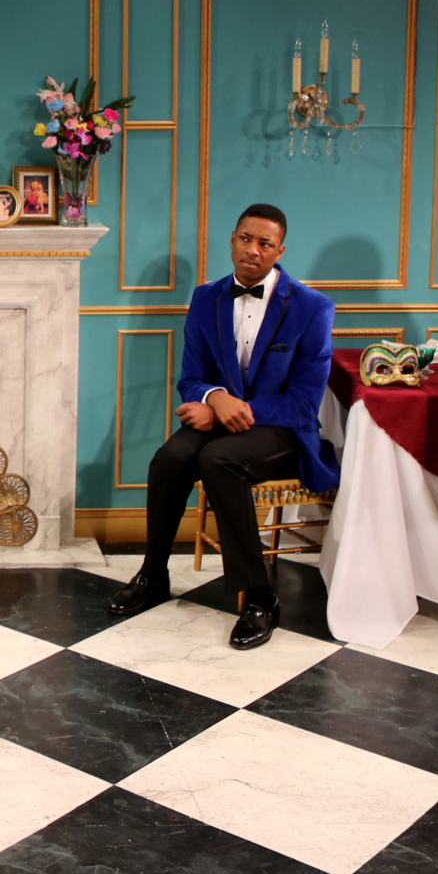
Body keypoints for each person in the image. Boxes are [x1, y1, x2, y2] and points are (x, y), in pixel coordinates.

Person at [107, 204, 339, 649]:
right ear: (232, 241)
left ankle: (261, 597)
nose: (253, 250)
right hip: (220, 418)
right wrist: (214, 398)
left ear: (279, 251)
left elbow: (303, 404)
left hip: (282, 430)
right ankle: (153, 574)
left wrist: (229, 410)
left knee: (218, 459)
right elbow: (190, 378)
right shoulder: (205, 297)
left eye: (265, 243)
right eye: (245, 239)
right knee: (170, 458)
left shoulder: (312, 308)